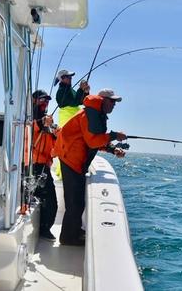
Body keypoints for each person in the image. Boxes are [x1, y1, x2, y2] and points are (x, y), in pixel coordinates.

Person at [53, 88, 127, 246]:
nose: (114, 105)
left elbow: (93, 140)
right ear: (103, 100)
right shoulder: (89, 115)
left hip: (75, 159)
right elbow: (93, 141)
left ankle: (74, 232)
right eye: (112, 101)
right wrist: (114, 135)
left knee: (77, 201)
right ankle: (68, 238)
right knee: (75, 202)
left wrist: (112, 149)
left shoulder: (94, 114)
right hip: (71, 159)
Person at [31, 89, 58, 241]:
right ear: (34, 100)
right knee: (47, 199)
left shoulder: (49, 121)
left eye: (47, 100)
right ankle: (42, 229)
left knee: (50, 201)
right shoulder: (30, 117)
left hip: (44, 166)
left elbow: (56, 143)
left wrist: (54, 131)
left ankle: (43, 229)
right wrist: (42, 123)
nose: (45, 103)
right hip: (32, 165)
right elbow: (32, 128)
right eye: (42, 100)